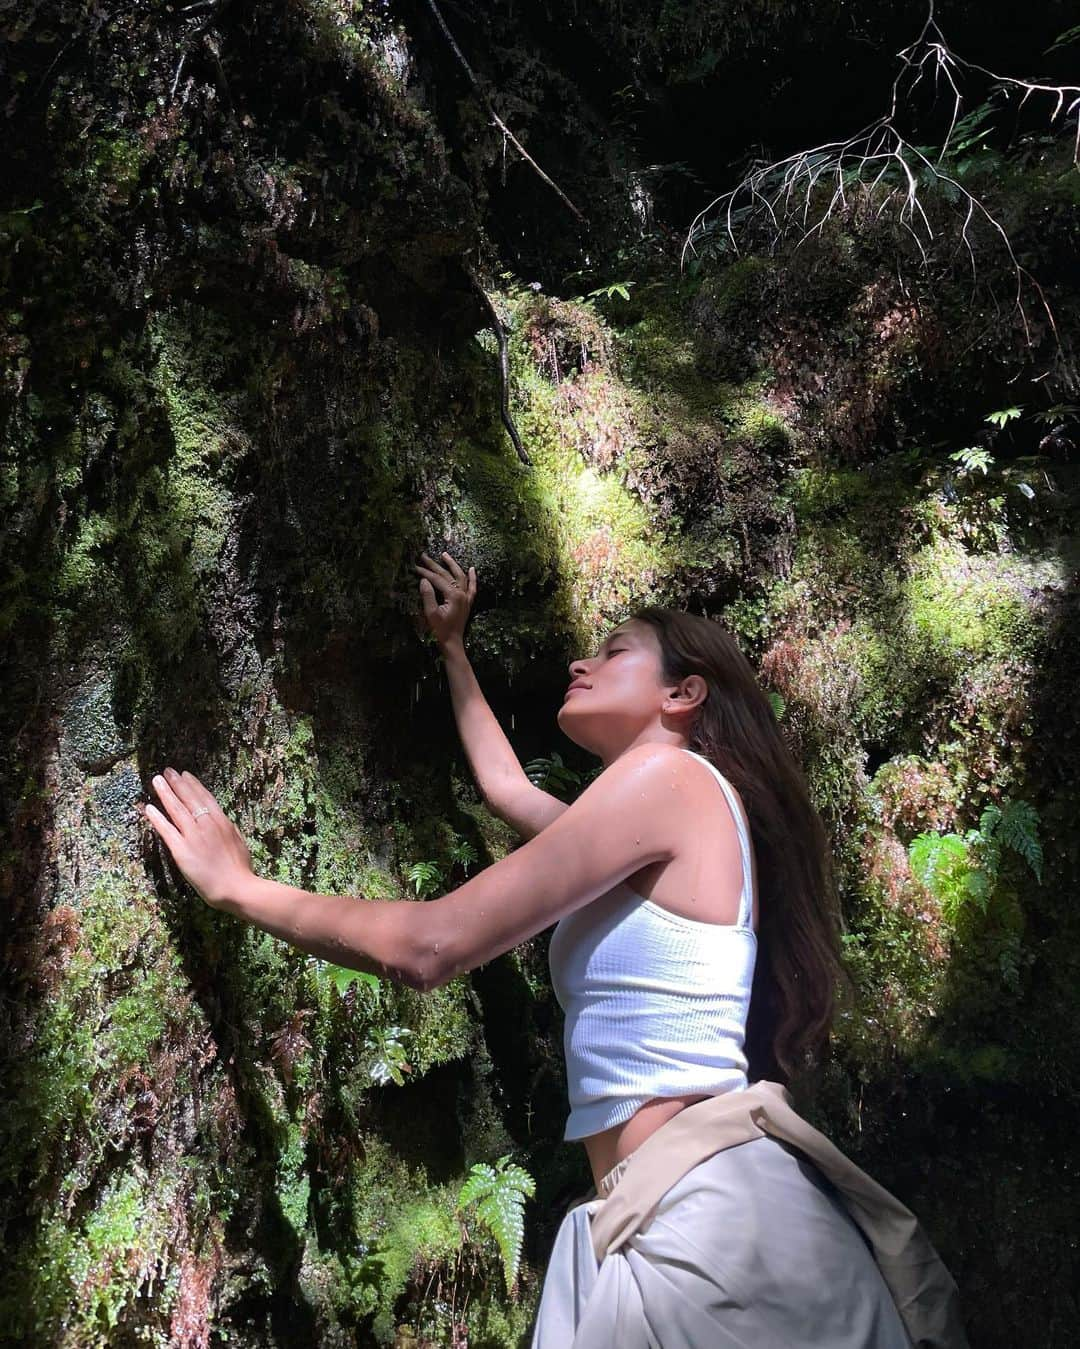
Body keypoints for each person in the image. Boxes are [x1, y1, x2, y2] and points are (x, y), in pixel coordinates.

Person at [139, 549, 968, 1348]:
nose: (581, 660)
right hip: (690, 1213)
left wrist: (242, 887)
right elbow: (506, 789)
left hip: (716, 1230)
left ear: (684, 693)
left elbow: (432, 945)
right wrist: (454, 648)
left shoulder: (670, 781)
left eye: (614, 651)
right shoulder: (656, 808)